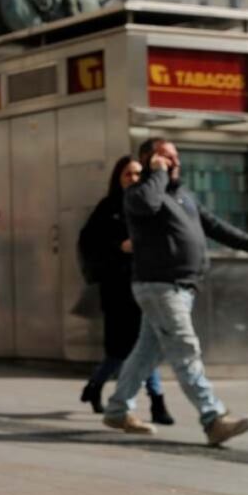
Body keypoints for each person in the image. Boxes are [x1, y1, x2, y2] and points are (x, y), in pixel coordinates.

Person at [103, 138, 248, 445]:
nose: (174, 161)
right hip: (159, 286)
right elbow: (147, 204)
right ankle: (213, 418)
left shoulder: (183, 196)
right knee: (185, 348)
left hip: (181, 287)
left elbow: (216, 227)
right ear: (150, 160)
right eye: (166, 156)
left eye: (175, 156)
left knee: (146, 352)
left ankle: (117, 408)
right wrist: (157, 173)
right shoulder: (139, 193)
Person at [77, 156, 172, 425]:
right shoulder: (108, 208)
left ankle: (156, 401)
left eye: (138, 174)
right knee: (119, 350)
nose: (133, 179)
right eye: (128, 174)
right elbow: (89, 243)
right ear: (118, 178)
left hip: (148, 283)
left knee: (145, 344)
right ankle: (97, 385)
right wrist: (119, 246)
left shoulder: (149, 204)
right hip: (117, 288)